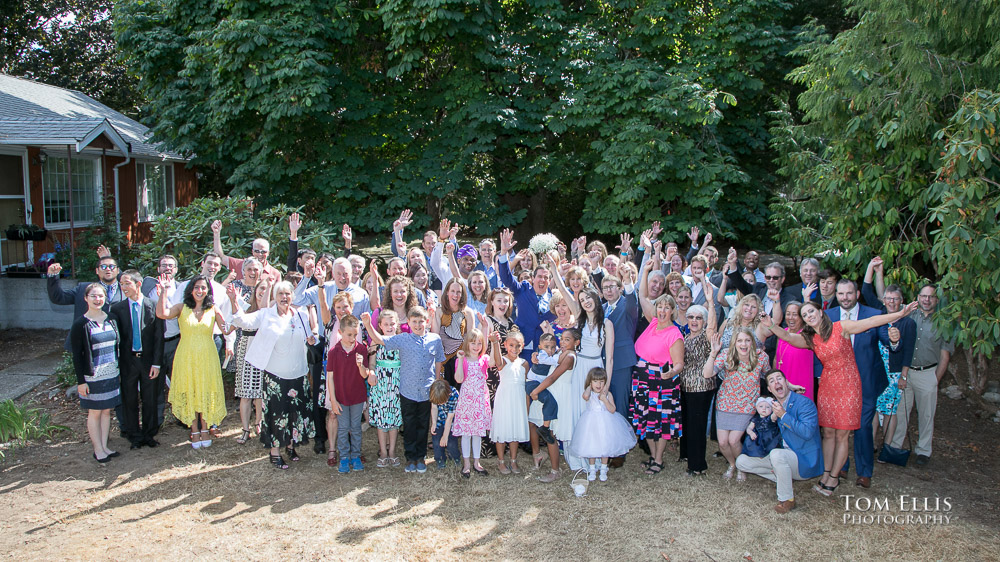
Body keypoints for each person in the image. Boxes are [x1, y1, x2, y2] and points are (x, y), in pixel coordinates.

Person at [766, 299, 917, 494]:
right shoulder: (810, 338)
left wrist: (900, 314)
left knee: (842, 434)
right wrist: (770, 324)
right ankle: (826, 473)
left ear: (821, 312)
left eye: (811, 312)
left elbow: (871, 322)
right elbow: (786, 336)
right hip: (827, 385)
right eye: (805, 315)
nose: (808, 316)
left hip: (848, 385)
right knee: (828, 433)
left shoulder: (841, 327)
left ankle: (834, 478)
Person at [228, 280, 317, 468]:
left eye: (287, 294)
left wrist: (311, 338)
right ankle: (275, 452)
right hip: (275, 375)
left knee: (296, 412)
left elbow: (311, 335)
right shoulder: (266, 314)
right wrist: (234, 302)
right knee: (277, 414)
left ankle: (291, 445)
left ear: (293, 296)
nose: (284, 297)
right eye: (280, 294)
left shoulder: (300, 314)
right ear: (275, 297)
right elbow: (242, 321)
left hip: (299, 373)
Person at [825, 279, 901, 488]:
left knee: (863, 426)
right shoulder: (829, 317)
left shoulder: (873, 315)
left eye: (849, 293)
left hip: (866, 381)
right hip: (838, 383)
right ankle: (842, 465)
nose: (845, 298)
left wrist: (894, 340)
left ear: (857, 294)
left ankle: (865, 472)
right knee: (840, 426)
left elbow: (886, 338)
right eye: (841, 294)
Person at [363, 307, 446, 474]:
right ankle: (410, 457)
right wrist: (367, 325)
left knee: (423, 425)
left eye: (421, 321)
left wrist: (437, 381)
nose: (417, 325)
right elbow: (379, 339)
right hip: (407, 390)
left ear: (426, 322)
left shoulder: (434, 339)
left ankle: (420, 457)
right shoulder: (402, 339)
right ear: (408, 323)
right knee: (409, 425)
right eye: (414, 321)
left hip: (425, 390)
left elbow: (438, 360)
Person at [736, 370, 824, 514]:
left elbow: (807, 432)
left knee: (777, 455)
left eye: (779, 379)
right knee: (741, 461)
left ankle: (787, 499)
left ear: (786, 383)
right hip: (781, 456)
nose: (776, 382)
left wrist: (783, 415)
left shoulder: (804, 403)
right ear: (770, 390)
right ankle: (783, 475)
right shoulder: (771, 406)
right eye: (771, 381)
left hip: (803, 459)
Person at [156, 274, 228, 449]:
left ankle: (205, 428)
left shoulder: (213, 309)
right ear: (190, 289)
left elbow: (227, 329)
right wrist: (164, 292)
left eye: (203, 287)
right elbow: (162, 314)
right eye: (196, 287)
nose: (200, 290)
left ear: (207, 291)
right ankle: (193, 428)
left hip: (207, 356)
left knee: (205, 390)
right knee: (191, 390)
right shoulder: (181, 307)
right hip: (186, 356)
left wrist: (233, 303)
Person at [886, 284, 953, 468]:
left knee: (926, 415)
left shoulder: (943, 323)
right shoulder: (909, 313)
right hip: (905, 372)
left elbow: (944, 356)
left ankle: (923, 451)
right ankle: (895, 446)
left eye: (930, 297)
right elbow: (886, 298)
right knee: (900, 412)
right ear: (918, 297)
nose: (926, 300)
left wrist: (935, 381)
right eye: (923, 296)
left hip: (928, 373)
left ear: (936, 300)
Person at [705, 328, 771, 481]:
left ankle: (742, 467)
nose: (744, 344)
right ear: (734, 343)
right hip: (725, 403)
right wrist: (713, 353)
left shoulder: (761, 357)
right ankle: (732, 464)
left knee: (734, 441)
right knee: (722, 443)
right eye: (740, 341)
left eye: (747, 340)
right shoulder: (727, 354)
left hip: (746, 405)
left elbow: (769, 375)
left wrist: (787, 386)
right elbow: (707, 374)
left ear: (752, 343)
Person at [109, 270, 164, 449]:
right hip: (128, 361)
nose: (123, 287)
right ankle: (134, 435)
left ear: (138, 284)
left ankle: (149, 434)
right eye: (121, 284)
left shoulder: (153, 305)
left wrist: (156, 363)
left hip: (148, 361)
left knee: (150, 397)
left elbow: (158, 338)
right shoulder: (117, 309)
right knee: (129, 398)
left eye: (127, 283)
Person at [632, 289, 685, 476]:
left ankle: (659, 459)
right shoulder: (653, 323)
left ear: (673, 311)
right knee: (645, 418)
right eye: (660, 306)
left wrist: (672, 372)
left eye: (667, 307)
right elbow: (643, 295)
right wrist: (644, 271)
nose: (662, 310)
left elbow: (679, 364)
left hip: (662, 382)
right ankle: (653, 457)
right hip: (642, 379)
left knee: (660, 421)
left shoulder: (675, 334)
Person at [70, 283, 122, 463]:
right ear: (86, 298)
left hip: (111, 374)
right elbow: (77, 355)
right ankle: (97, 449)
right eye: (93, 296)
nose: (97, 299)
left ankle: (105, 446)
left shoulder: (112, 318)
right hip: (93, 377)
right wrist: (81, 381)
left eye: (100, 296)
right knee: (95, 412)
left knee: (107, 411)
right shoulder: (81, 324)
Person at [569, 367, 637, 482]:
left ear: (605, 382)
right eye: (595, 381)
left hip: (606, 423)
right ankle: (592, 469)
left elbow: (612, 409)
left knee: (605, 445)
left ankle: (603, 468)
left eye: (601, 381)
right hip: (591, 423)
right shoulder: (589, 393)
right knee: (591, 445)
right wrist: (589, 387)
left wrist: (605, 399)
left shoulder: (608, 394)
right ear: (590, 382)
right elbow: (585, 396)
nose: (598, 384)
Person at [498, 229, 556, 360]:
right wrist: (503, 253)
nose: (542, 280)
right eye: (539, 277)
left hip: (543, 349)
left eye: (546, 278)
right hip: (520, 346)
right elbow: (506, 278)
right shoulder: (523, 288)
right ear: (533, 278)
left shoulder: (553, 299)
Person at [48, 256, 125, 349]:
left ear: (118, 270)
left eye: (112, 266)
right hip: (87, 346)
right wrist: (53, 276)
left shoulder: (127, 290)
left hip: (119, 346)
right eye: (103, 266)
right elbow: (58, 298)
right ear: (97, 271)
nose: (108, 269)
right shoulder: (83, 289)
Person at [326, 315, 370, 473]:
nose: (352, 338)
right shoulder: (333, 352)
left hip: (357, 397)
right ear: (340, 332)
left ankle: (356, 456)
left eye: (355, 334)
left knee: (356, 428)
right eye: (349, 335)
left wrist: (360, 366)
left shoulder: (361, 349)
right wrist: (333, 399)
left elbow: (365, 375)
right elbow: (330, 378)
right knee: (343, 428)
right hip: (341, 398)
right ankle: (344, 457)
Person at [678, 302, 717, 476]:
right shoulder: (686, 337)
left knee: (697, 427)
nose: (694, 321)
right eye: (691, 317)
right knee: (687, 423)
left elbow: (712, 328)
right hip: (686, 387)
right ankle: (686, 454)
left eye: (699, 318)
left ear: (704, 321)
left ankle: (697, 466)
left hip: (701, 388)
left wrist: (710, 301)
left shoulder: (706, 337)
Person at [452, 322, 495, 478]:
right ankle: (467, 464)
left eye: (479, 343)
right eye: (473, 343)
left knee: (477, 433)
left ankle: (476, 462)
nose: (476, 346)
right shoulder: (462, 360)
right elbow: (459, 378)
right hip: (466, 401)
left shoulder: (483, 359)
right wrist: (460, 361)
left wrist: (493, 341)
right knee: (466, 433)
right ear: (467, 344)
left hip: (479, 400)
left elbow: (493, 363)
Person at [231, 280, 270, 444]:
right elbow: (234, 322)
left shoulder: (271, 309)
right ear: (255, 290)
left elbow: (265, 312)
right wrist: (234, 301)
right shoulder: (245, 305)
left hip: (264, 353)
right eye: (261, 288)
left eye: (268, 289)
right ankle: (245, 429)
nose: (263, 291)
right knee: (246, 394)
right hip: (246, 351)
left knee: (261, 393)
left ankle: (259, 424)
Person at [490, 330, 530, 474]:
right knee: (502, 429)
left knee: (515, 429)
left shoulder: (524, 364)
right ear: (505, 345)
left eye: (518, 346)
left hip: (518, 399)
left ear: (522, 346)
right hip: (505, 399)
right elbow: (499, 364)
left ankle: (513, 460)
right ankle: (501, 461)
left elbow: (525, 386)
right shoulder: (503, 360)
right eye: (511, 345)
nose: (514, 349)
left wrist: (527, 406)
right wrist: (495, 342)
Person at [367, 310, 403, 468]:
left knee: (394, 421)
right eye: (386, 324)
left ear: (397, 325)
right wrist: (372, 373)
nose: (389, 327)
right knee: (382, 422)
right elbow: (372, 363)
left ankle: (392, 451)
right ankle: (382, 451)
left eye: (392, 324)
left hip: (395, 384)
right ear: (380, 326)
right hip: (381, 385)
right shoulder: (376, 343)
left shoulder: (401, 341)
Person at [211, 219, 281, 283]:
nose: (260, 254)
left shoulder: (275, 273)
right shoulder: (241, 264)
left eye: (263, 252)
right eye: (257, 251)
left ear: (268, 253)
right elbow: (220, 257)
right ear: (252, 251)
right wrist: (216, 233)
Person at [773, 301, 816, 402]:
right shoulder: (782, 332)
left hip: (801, 385)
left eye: (795, 314)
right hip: (782, 385)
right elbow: (776, 358)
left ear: (802, 317)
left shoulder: (808, 335)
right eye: (788, 313)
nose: (790, 317)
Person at [438, 278, 476, 388]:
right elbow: (436, 339)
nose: (455, 295)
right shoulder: (439, 312)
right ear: (447, 292)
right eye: (453, 291)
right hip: (443, 361)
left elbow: (470, 339)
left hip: (461, 360)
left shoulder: (468, 312)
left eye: (458, 292)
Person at [525, 333, 561, 443]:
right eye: (546, 347)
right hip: (532, 384)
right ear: (540, 347)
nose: (550, 350)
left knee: (551, 402)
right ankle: (544, 428)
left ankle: (545, 426)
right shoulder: (541, 356)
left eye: (553, 347)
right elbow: (555, 361)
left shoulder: (547, 352)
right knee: (550, 401)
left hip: (538, 383)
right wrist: (562, 353)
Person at [430, 379, 461, 469]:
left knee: (451, 442)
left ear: (447, 395)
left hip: (451, 423)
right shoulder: (434, 392)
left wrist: (445, 436)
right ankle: (440, 459)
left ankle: (455, 457)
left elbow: (450, 418)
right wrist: (434, 423)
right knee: (436, 441)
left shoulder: (454, 395)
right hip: (440, 420)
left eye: (441, 402)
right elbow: (434, 408)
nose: (439, 403)